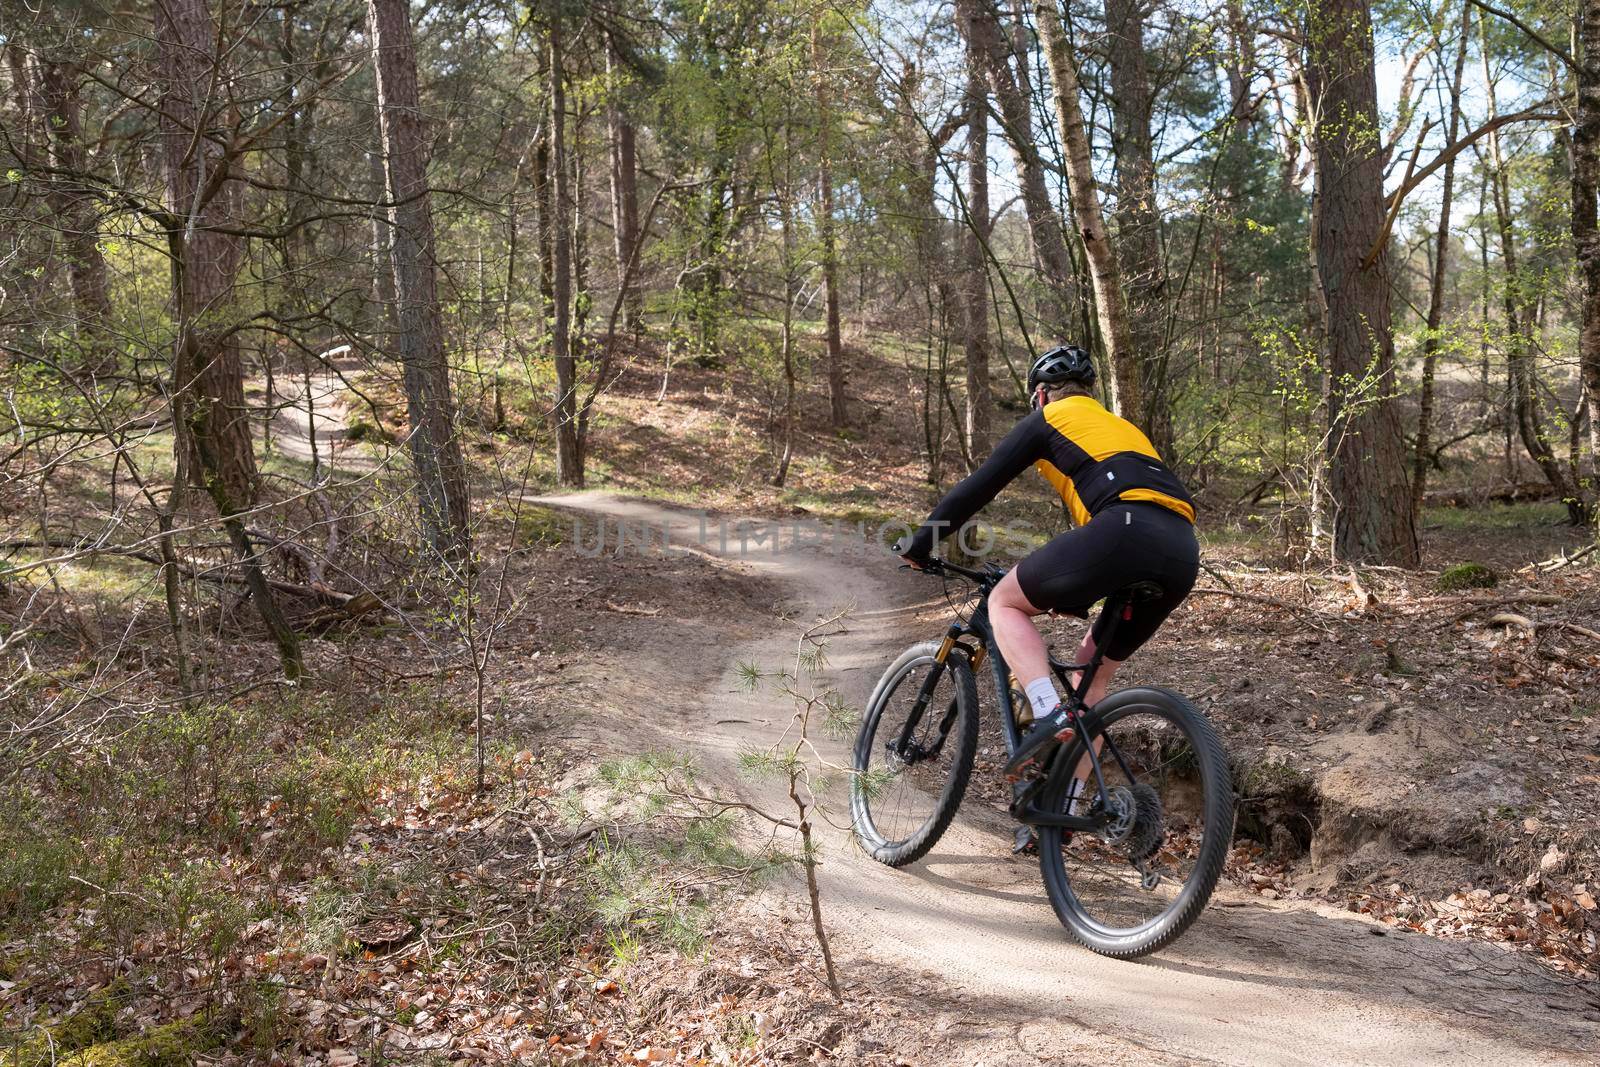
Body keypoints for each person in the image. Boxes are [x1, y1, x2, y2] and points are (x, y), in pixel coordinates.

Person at [897, 345, 1199, 847]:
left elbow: (979, 486)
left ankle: (1045, 707)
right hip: (1182, 549)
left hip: (1122, 530)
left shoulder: (1049, 418)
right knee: (1091, 679)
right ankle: (1063, 811)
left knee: (1005, 602)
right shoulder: (1122, 429)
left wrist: (920, 542)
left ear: (1040, 395)